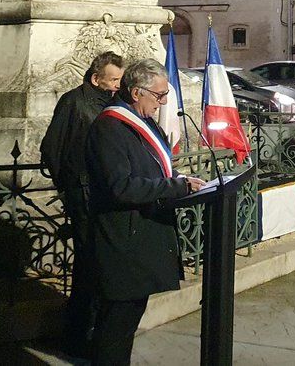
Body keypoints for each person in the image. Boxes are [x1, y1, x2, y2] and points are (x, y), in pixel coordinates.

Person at [84, 59, 206, 366]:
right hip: (123, 240)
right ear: (137, 93)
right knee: (115, 326)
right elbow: (120, 187)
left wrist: (176, 183)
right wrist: (175, 187)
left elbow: (150, 169)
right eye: (159, 95)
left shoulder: (144, 123)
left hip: (142, 236)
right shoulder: (109, 127)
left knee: (126, 322)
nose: (163, 102)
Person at [38, 50, 124, 357]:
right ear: (95, 78)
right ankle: (78, 334)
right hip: (83, 195)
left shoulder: (115, 103)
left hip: (105, 195)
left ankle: (96, 332)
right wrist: (70, 186)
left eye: (119, 80)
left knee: (103, 265)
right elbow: (51, 148)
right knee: (88, 266)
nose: (117, 85)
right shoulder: (74, 102)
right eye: (112, 79)